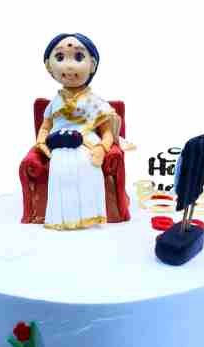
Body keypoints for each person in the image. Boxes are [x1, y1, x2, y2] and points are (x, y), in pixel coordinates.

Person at [37, 33, 119, 230]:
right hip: (58, 145)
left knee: (87, 167)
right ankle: (62, 217)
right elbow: (46, 126)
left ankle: (90, 215)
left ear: (92, 64)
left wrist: (102, 148)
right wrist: (41, 142)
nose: (69, 66)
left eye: (78, 57)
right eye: (60, 57)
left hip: (87, 144)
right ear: (49, 66)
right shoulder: (55, 102)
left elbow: (107, 132)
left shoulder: (94, 102)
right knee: (60, 172)